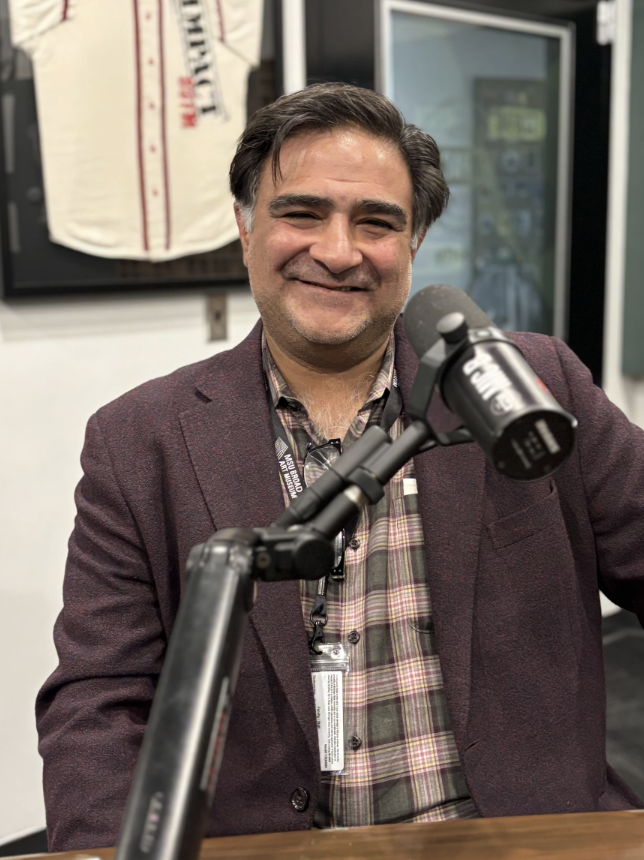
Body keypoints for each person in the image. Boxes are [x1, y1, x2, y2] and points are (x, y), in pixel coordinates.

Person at [37, 83, 644, 852]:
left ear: (415, 241)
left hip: (527, 839)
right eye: (301, 213)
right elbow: (100, 699)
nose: (337, 250)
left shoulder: (531, 385)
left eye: (377, 222)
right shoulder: (139, 440)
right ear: (244, 225)